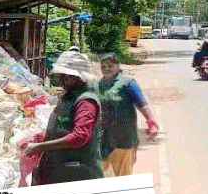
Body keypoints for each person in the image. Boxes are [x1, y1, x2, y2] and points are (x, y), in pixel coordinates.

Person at [25, 50, 104, 185]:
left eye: (65, 76)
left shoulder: (86, 102)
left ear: (77, 77)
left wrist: (40, 147)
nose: (61, 80)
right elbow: (65, 126)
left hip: (77, 173)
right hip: (59, 170)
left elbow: (80, 136)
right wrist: (45, 135)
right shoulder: (69, 97)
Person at [97, 53, 159, 177]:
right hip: (102, 140)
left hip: (124, 139)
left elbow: (142, 104)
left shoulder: (127, 83)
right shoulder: (96, 84)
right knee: (102, 178)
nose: (106, 69)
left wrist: (151, 123)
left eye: (110, 65)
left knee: (122, 179)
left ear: (117, 65)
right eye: (103, 66)